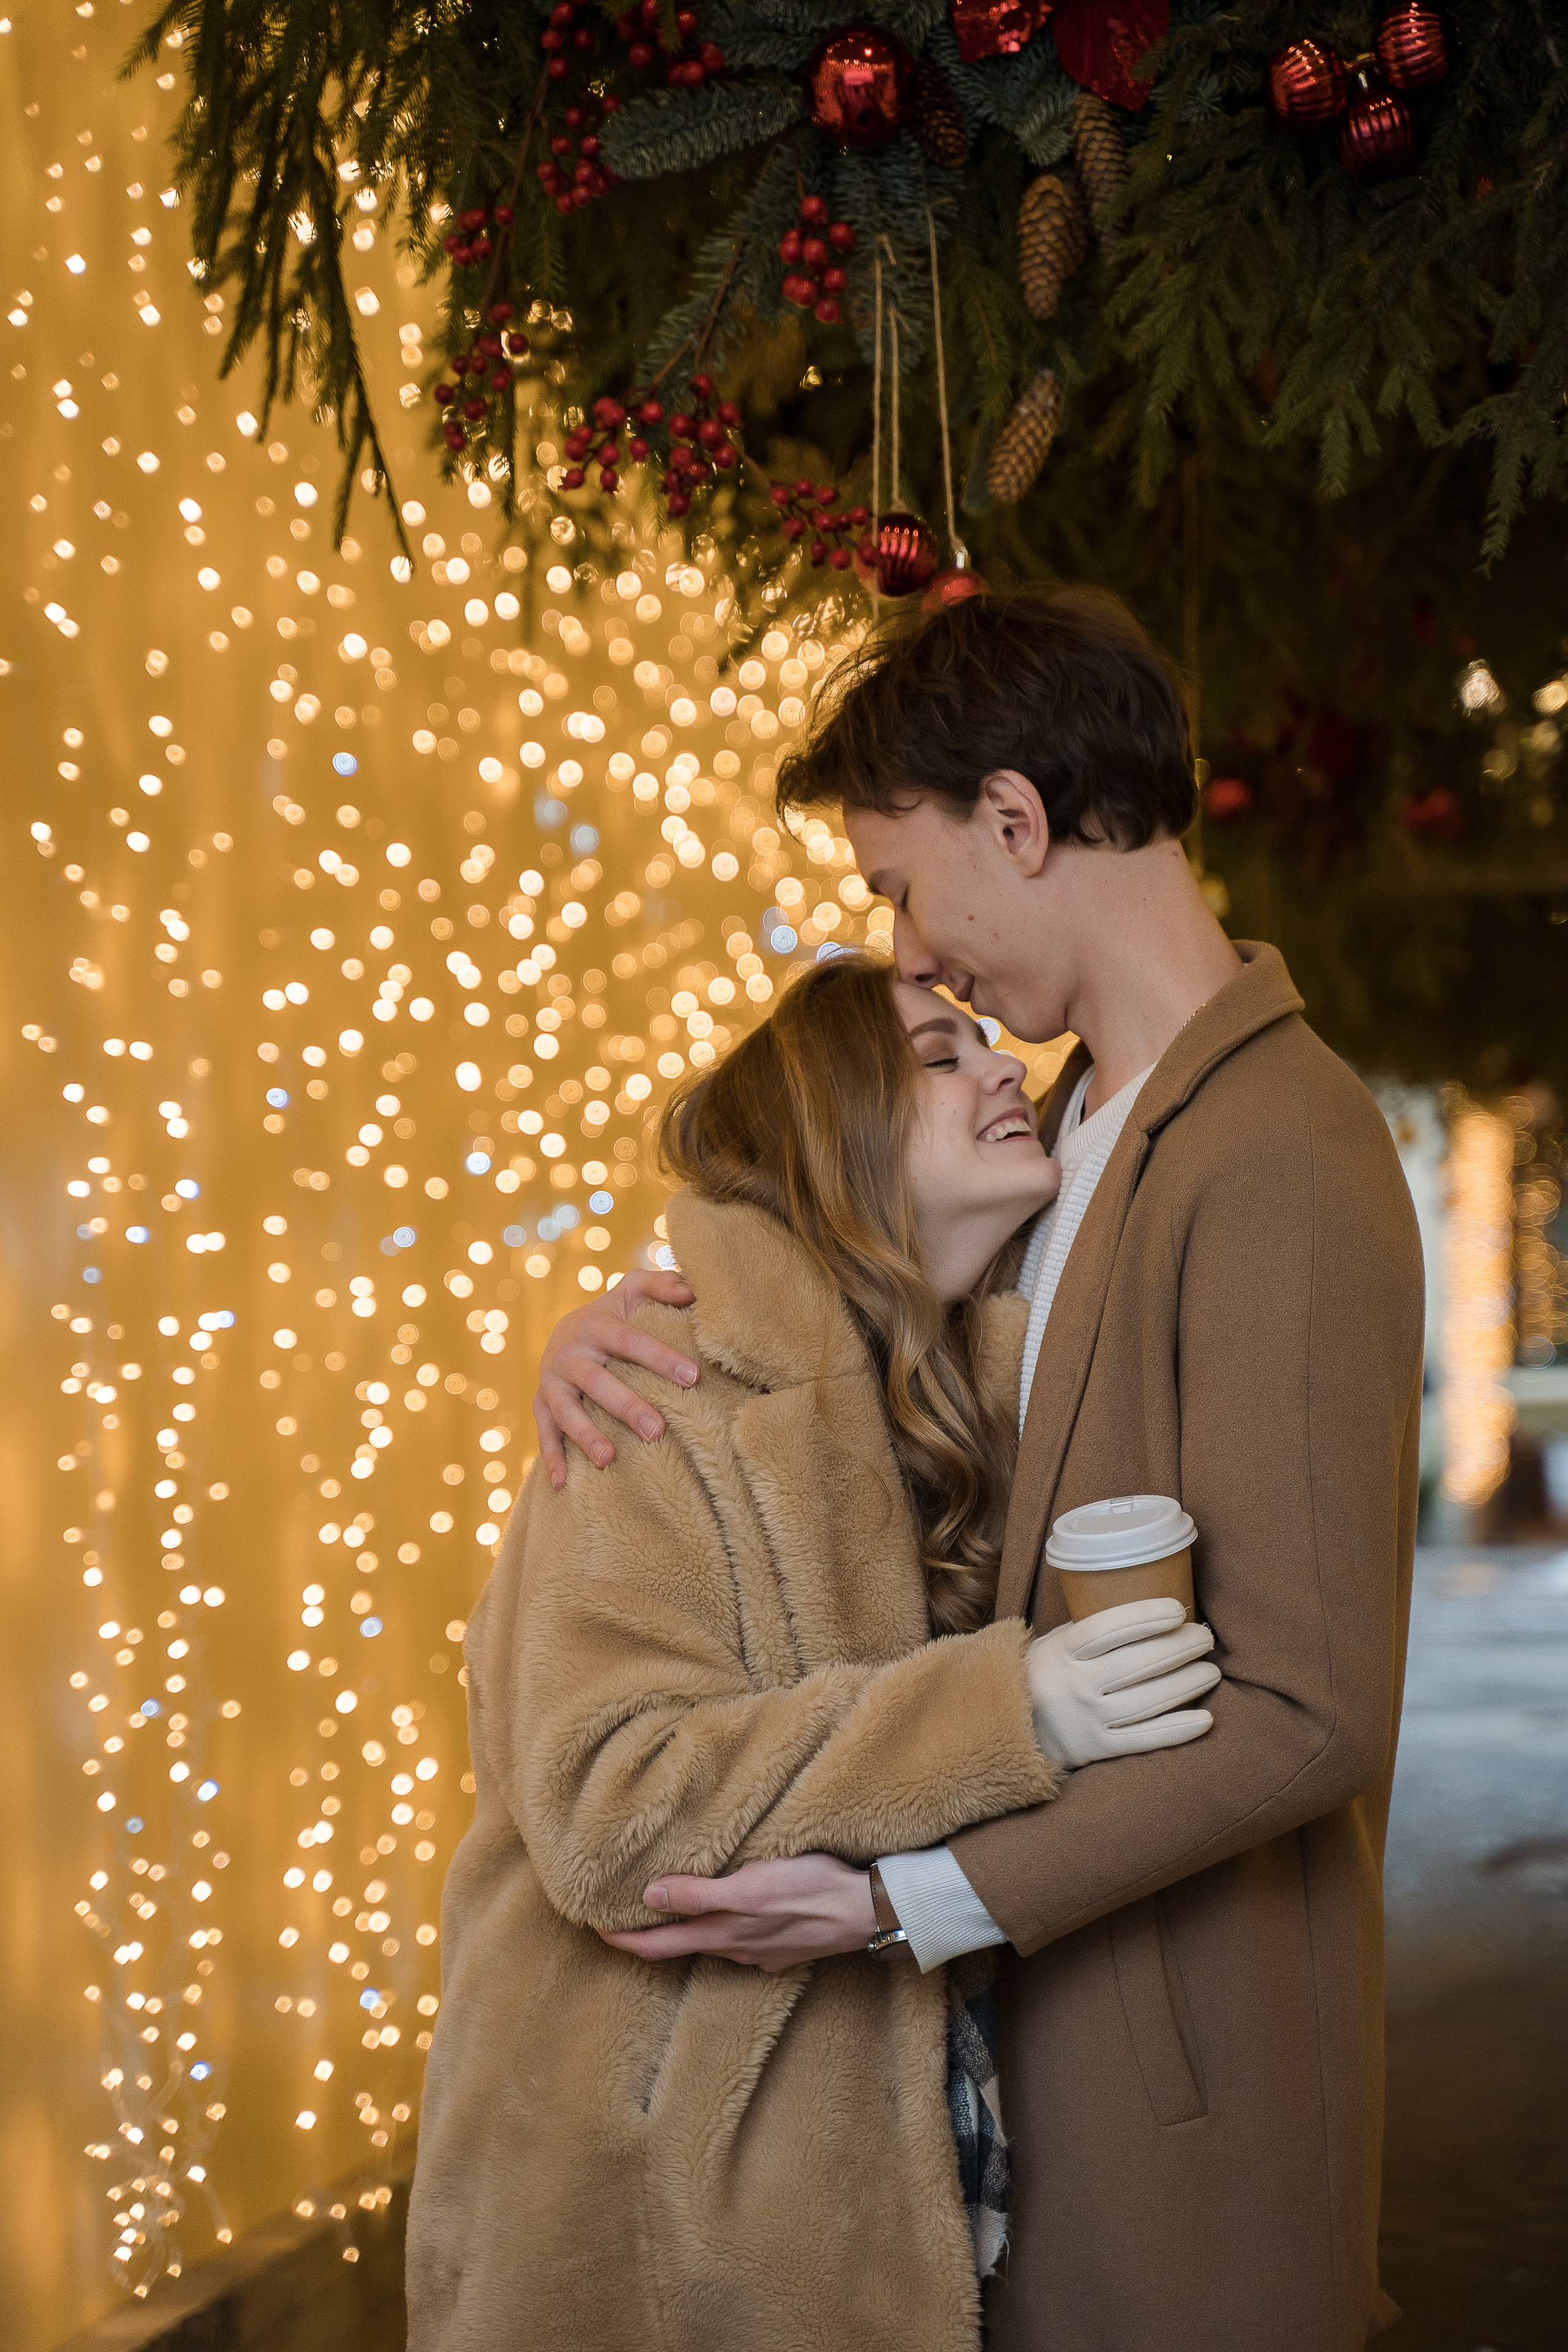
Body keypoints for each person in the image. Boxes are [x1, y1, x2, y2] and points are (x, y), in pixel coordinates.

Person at [530, 587, 1427, 2351]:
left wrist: (902, 1904)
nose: (915, 956)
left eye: (900, 886)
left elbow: (1310, 1709)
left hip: (1185, 2112)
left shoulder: (1282, 1152)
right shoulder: (1058, 1130)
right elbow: (852, 1317)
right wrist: (612, 1330)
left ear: (1014, 821)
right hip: (1005, 2107)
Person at [405, 951, 1223, 2352]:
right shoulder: (654, 1399)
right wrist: (1006, 1712)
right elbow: (610, 1803)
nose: (1003, 1069)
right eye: (938, 1057)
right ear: (830, 1137)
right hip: (651, 2230)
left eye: (982, 1045)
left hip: (886, 2183)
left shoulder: (968, 1390)